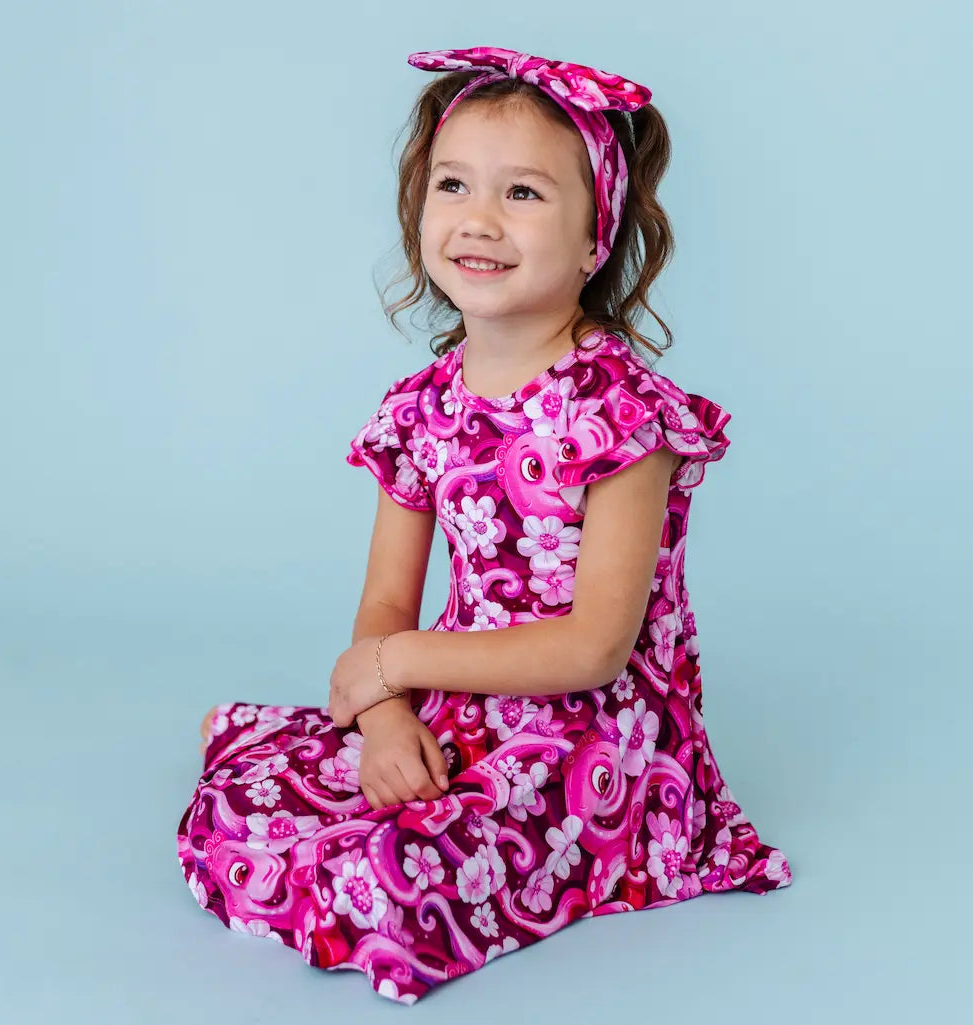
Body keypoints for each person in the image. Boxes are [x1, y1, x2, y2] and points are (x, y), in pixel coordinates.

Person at [177, 45, 792, 1005]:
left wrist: (390, 667)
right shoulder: (420, 407)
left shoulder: (621, 415)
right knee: (252, 803)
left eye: (524, 195)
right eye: (454, 183)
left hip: (592, 737)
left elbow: (593, 648)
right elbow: (385, 598)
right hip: (457, 693)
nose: (478, 219)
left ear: (597, 236)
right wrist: (382, 718)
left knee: (401, 877)